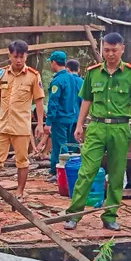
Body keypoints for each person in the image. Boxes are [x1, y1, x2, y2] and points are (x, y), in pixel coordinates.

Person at [64, 33, 131, 231]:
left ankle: (110, 215)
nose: (110, 54)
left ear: (122, 49)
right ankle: (74, 214)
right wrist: (79, 124)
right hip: (97, 127)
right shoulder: (93, 73)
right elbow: (86, 100)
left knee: (117, 175)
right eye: (106, 50)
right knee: (87, 172)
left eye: (114, 50)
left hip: (120, 127)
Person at [0, 40, 45, 198]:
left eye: (22, 57)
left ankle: (19, 192)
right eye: (15, 56)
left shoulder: (33, 76)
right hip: (2, 126)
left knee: (22, 161)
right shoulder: (1, 73)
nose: (19, 60)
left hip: (21, 128)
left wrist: (39, 124)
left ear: (26, 56)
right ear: (9, 55)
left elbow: (39, 101)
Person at [44, 51, 80, 182]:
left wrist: (48, 122)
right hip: (72, 118)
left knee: (60, 146)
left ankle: (59, 172)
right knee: (70, 146)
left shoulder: (57, 81)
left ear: (54, 62)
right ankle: (68, 170)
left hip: (60, 119)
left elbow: (53, 103)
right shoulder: (72, 78)